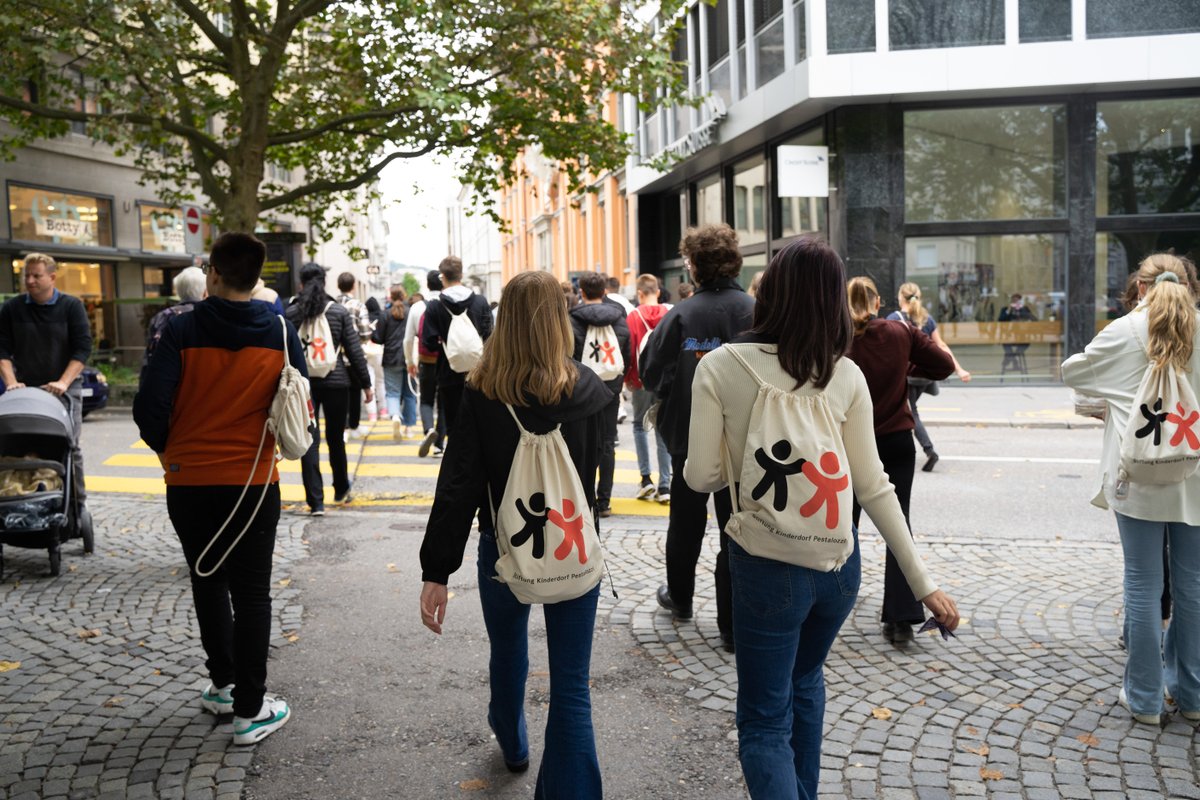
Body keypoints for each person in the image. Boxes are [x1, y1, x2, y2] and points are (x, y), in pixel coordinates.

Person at [684, 237, 960, 799]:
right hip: (838, 566)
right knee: (806, 680)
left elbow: (701, 477)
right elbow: (875, 487)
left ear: (772, 295)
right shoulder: (846, 375)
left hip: (764, 567)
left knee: (763, 721)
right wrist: (923, 584)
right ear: (833, 301)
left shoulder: (720, 366)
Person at [418, 270, 612, 796]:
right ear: (560, 319)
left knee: (508, 652)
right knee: (571, 686)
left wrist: (437, 571)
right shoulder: (591, 389)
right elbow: (599, 467)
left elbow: (458, 483)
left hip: (503, 550)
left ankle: (513, 741)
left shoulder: (482, 392)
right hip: (573, 546)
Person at [133, 232, 304, 745]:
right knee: (252, 593)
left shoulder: (179, 329)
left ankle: (224, 685)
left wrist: (172, 451)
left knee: (206, 580)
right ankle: (251, 711)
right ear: (258, 277)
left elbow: (149, 409)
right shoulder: (278, 329)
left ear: (212, 272)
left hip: (188, 482)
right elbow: (296, 396)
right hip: (253, 483)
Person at [1063, 252, 1200, 727]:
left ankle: (1143, 698)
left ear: (1140, 288)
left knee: (1144, 584)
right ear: (1190, 285)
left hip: (1138, 475)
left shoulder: (1125, 331)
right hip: (1196, 477)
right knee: (1193, 586)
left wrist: (1122, 391)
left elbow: (1073, 372)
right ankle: (1192, 694)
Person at [641, 224, 755, 652]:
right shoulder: (755, 310)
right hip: (744, 440)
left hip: (690, 435)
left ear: (693, 265)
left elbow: (652, 374)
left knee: (685, 524)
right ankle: (731, 623)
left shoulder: (680, 315)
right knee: (737, 528)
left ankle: (681, 599)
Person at [846, 277, 955, 643]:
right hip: (894, 439)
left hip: (849, 442)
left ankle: (830, 602)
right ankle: (901, 617)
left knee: (843, 525)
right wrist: (906, 372)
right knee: (898, 523)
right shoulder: (900, 332)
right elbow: (942, 365)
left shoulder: (839, 337)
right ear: (878, 302)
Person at [0, 252, 93, 515]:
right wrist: (11, 382)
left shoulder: (71, 306)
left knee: (70, 445)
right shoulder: (12, 309)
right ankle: (18, 497)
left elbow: (82, 349)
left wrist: (63, 382)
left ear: (52, 277)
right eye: (26, 275)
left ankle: (76, 505)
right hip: (25, 390)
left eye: (36, 275)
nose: (30, 280)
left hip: (64, 386)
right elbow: (2, 350)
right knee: (17, 443)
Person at [286, 263, 373, 514]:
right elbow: (354, 351)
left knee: (308, 440)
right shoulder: (338, 312)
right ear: (324, 282)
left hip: (303, 385)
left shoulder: (292, 312)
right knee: (336, 439)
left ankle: (315, 501)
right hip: (337, 383)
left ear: (301, 283)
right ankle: (341, 489)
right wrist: (366, 384)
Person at [887, 282, 972, 472]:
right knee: (909, 411)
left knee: (911, 412)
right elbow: (941, 346)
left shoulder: (894, 319)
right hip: (925, 377)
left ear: (901, 297)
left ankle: (929, 450)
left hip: (908, 376)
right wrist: (959, 370)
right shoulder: (926, 318)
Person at [569, 272, 631, 518]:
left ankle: (584, 497)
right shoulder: (619, 318)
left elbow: (568, 355)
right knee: (607, 442)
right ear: (604, 291)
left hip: (580, 389)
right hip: (610, 388)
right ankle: (604, 501)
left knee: (579, 441)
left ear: (581, 291)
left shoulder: (572, 319)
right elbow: (625, 352)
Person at [420, 256, 493, 448]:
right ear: (461, 275)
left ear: (442, 277)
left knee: (453, 423)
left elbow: (428, 341)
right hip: (479, 373)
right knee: (478, 421)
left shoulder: (435, 306)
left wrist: (446, 345)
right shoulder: (479, 302)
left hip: (448, 371)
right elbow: (490, 337)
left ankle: (456, 464)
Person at [625, 273, 672, 503]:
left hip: (641, 380)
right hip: (664, 381)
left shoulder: (633, 316)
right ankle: (665, 485)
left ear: (640, 293)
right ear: (658, 292)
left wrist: (629, 377)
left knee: (639, 426)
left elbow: (630, 348)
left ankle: (646, 480)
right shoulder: (670, 313)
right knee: (663, 429)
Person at [141, 266, 206, 382]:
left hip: (164, 384)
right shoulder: (208, 315)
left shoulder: (162, 317)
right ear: (205, 291)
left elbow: (149, 357)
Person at [373, 286, 417, 440]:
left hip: (391, 358)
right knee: (410, 394)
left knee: (393, 392)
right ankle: (409, 428)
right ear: (404, 296)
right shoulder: (411, 311)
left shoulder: (385, 314)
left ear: (390, 297)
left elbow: (378, 338)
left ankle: (395, 416)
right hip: (410, 358)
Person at [335, 272, 376, 438]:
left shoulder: (333, 304)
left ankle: (342, 426)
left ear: (339, 286)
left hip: (336, 357)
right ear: (354, 286)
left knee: (339, 392)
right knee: (355, 390)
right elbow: (366, 334)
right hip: (355, 354)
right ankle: (354, 425)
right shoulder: (358, 306)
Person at [998, 292, 1036, 378]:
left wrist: (1024, 311)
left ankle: (1009, 359)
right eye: (1014, 300)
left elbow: (1034, 319)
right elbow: (1000, 320)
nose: (1015, 302)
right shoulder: (1005, 309)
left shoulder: (1024, 309)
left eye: (1017, 300)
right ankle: (1014, 361)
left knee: (1026, 343)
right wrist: (1009, 310)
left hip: (1022, 336)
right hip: (1009, 336)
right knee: (1006, 344)